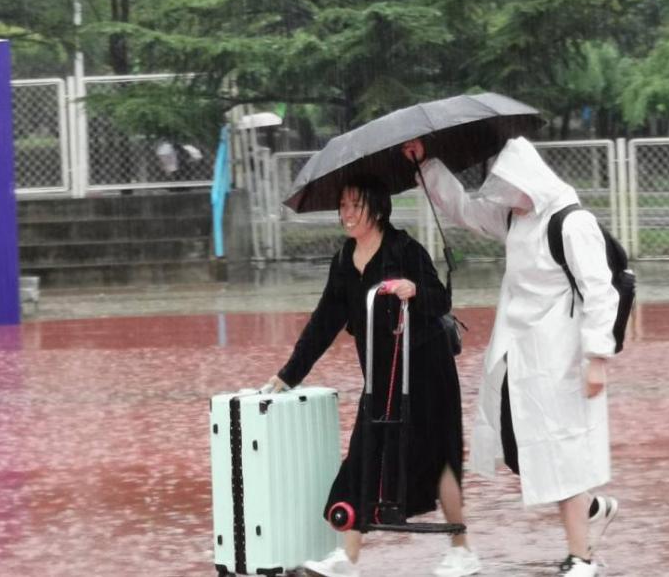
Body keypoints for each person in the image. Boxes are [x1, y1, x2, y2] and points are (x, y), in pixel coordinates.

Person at [401, 137, 619, 577]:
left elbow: (600, 291)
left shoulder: (570, 223)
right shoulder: (515, 218)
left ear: (529, 182)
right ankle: (592, 509)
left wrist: (596, 357)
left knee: (561, 455)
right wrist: (427, 166)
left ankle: (582, 558)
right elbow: (465, 210)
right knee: (521, 451)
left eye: (508, 190)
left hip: (560, 358)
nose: (502, 199)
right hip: (518, 355)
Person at [265, 176, 481, 577]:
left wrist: (414, 289)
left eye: (355, 205)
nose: (346, 214)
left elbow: (440, 300)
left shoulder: (404, 249)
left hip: (427, 371)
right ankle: (348, 559)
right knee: (365, 450)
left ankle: (462, 549)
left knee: (439, 456)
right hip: (381, 376)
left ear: (377, 208)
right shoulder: (344, 261)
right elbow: (323, 322)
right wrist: (288, 374)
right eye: (343, 206)